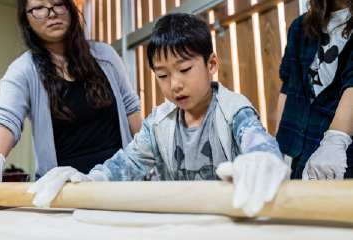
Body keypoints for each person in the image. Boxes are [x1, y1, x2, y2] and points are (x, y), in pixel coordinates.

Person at [28, 13, 290, 217]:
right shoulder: (158, 123)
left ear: (211, 64)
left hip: (229, 220)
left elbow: (259, 142)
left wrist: (262, 159)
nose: (174, 84)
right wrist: (89, 180)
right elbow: (126, 163)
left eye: (184, 69)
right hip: (178, 222)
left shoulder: (233, 110)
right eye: (162, 75)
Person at [0, 0, 142, 181]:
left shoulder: (105, 55)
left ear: (70, 9)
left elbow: (131, 109)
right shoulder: (23, 70)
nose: (51, 13)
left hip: (122, 182)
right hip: (64, 191)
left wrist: (147, 163)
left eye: (58, 3)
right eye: (39, 8)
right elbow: (5, 118)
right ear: (26, 18)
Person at [275, 0, 353, 180]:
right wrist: (276, 148)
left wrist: (335, 141)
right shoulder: (299, 28)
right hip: (300, 153)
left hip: (342, 159)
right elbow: (288, 86)